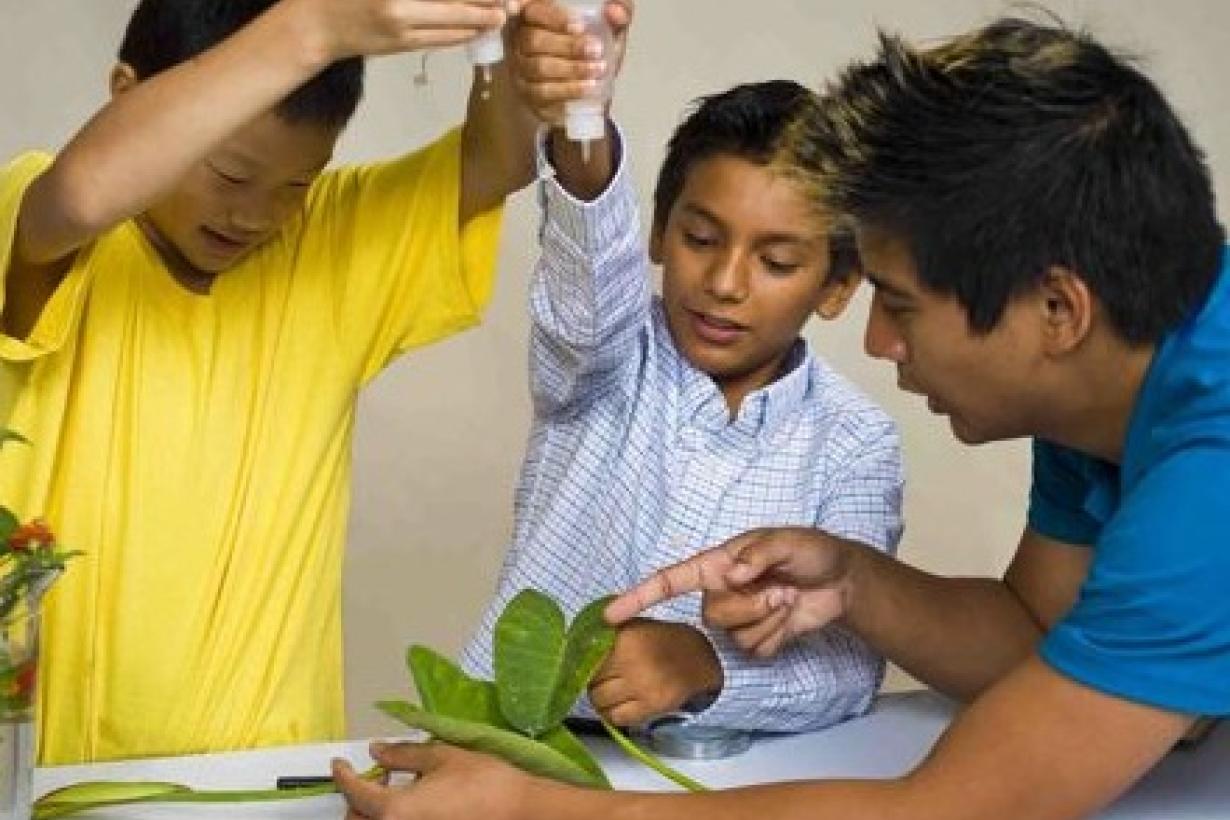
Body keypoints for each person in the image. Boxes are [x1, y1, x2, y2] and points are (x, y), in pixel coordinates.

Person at [335, 13, 1230, 820]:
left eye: (903, 304)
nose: (880, 342)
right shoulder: (1102, 387)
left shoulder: (1211, 472)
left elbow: (946, 810)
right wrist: (855, 583)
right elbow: (1034, 641)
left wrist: (537, 813)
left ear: (1058, 312)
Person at [0, 0, 564, 764]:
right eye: (230, 172)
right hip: (51, 780)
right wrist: (314, 29)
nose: (255, 215)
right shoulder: (52, 217)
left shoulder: (325, 242)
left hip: (275, 780)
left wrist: (510, 39)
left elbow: (496, 161)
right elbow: (80, 195)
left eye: (293, 184)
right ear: (127, 92)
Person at [458, 63, 903, 732]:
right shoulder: (601, 361)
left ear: (838, 286)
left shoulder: (857, 442)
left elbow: (849, 664)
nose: (724, 281)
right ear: (659, 229)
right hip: (513, 746)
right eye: (700, 239)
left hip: (724, 786)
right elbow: (589, 268)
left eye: (776, 262)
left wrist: (706, 664)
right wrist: (582, 115)